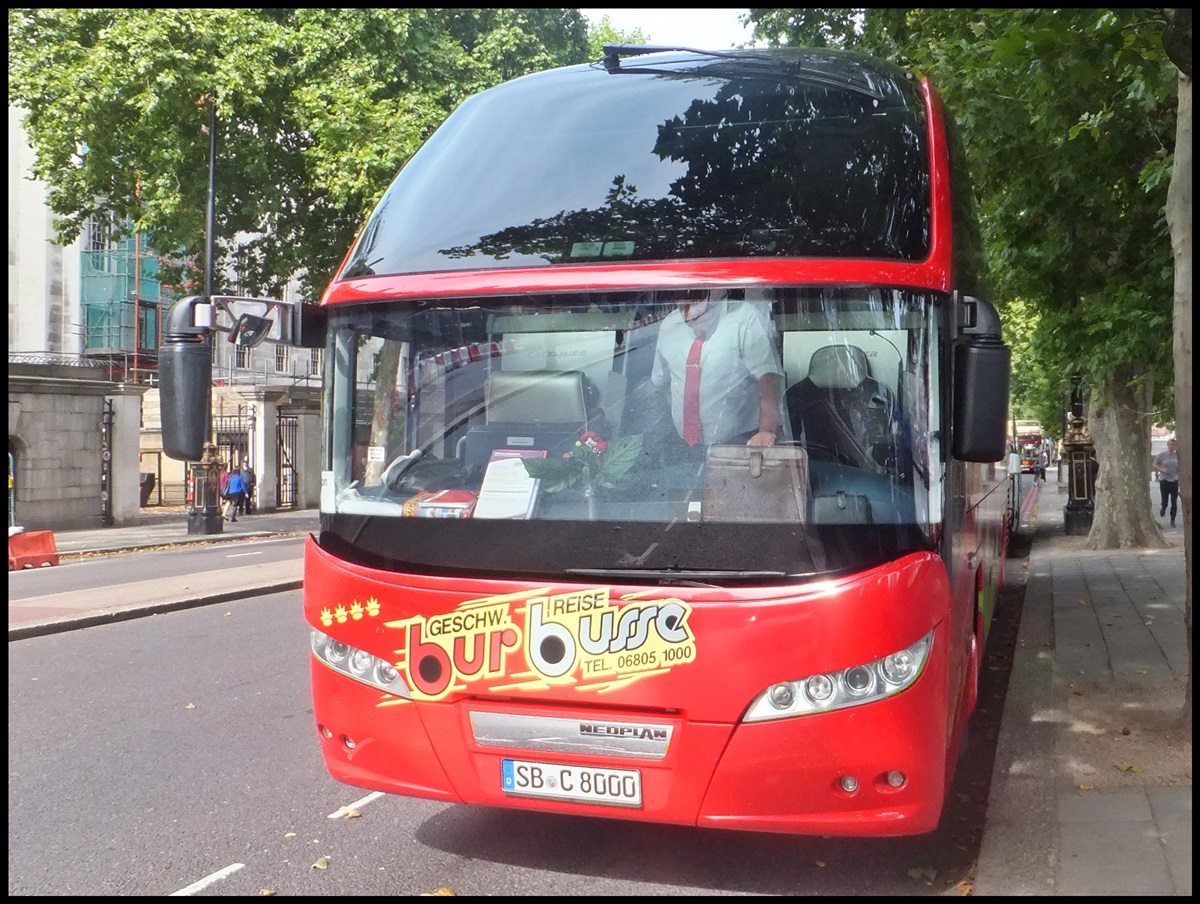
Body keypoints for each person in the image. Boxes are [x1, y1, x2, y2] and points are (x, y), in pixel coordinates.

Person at [651, 291, 784, 457]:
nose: (692, 313)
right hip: (684, 447)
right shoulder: (669, 326)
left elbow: (768, 376)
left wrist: (766, 430)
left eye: (697, 301)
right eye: (684, 306)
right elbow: (662, 382)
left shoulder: (744, 317)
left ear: (714, 293)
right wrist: (686, 417)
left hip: (742, 443)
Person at [1152, 437, 1179, 527]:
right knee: (1165, 500)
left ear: (1175, 446)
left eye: (1173, 445)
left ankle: (1172, 520)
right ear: (1167, 445)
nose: (1172, 446)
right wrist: (1161, 469)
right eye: (1170, 445)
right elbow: (1155, 464)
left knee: (1174, 501)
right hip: (1164, 480)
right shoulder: (1162, 455)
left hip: (1174, 480)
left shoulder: (1177, 456)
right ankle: (1163, 507)